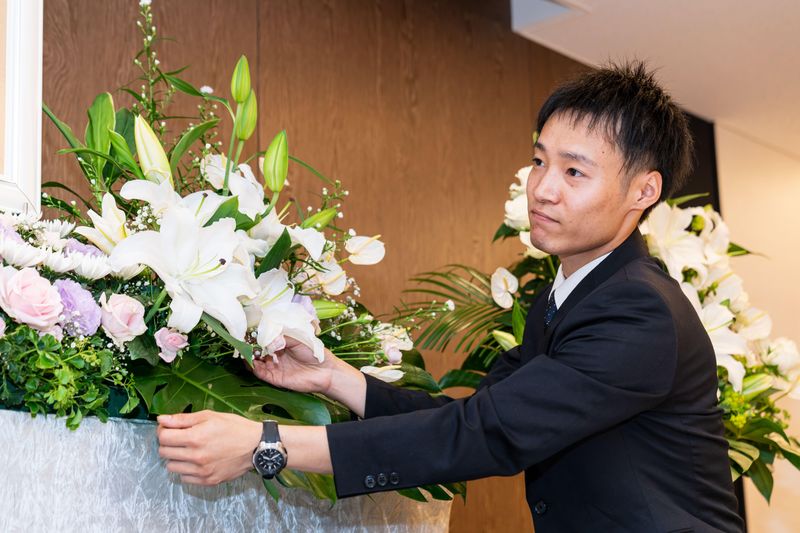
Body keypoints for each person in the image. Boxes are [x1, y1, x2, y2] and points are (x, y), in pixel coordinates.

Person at [156, 62, 744, 532]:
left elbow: (486, 434)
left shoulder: (638, 311)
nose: (542, 189)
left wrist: (268, 444)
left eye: (574, 173)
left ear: (643, 191)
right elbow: (472, 414)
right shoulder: (570, 295)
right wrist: (335, 378)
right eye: (539, 161)